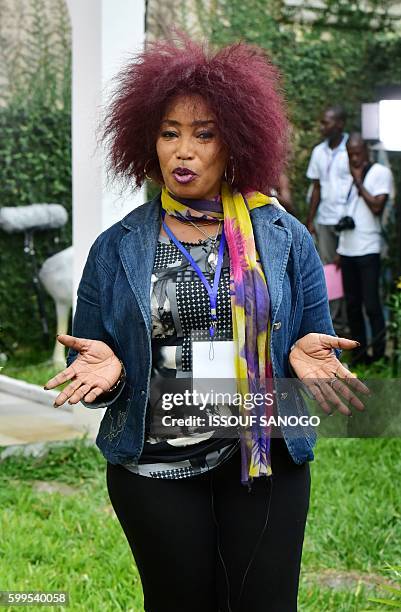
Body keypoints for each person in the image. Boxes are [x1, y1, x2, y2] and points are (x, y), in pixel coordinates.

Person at [44, 38, 367, 612]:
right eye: (170, 133)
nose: (183, 151)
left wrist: (298, 354)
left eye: (204, 133)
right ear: (149, 141)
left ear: (235, 142)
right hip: (156, 469)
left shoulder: (283, 236)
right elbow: (87, 363)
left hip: (264, 461)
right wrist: (115, 374)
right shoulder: (117, 247)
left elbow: (314, 336)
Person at [337, 133, 393, 365]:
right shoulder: (344, 175)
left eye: (359, 153)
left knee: (371, 304)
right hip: (347, 249)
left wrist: (359, 181)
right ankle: (360, 356)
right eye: (351, 155)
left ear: (367, 151)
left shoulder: (380, 173)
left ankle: (379, 353)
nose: (355, 159)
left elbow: (377, 207)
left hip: (369, 248)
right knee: (352, 305)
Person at [305, 106, 350, 333]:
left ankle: (346, 320)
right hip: (324, 220)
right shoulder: (319, 152)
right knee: (329, 271)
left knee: (347, 269)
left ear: (340, 124)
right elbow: (316, 188)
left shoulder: (352, 148)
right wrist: (310, 221)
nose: (323, 127)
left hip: (349, 223)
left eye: (327, 123)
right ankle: (333, 323)